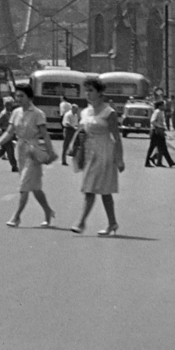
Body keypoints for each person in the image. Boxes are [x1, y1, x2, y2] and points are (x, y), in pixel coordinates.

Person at [71, 77, 124, 235]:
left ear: (100, 93)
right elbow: (81, 131)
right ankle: (112, 223)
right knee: (103, 191)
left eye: (91, 90)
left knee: (91, 189)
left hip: (104, 152)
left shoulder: (109, 113)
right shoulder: (85, 112)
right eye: (86, 90)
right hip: (89, 153)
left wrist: (119, 159)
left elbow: (116, 137)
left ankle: (81, 222)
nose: (87, 93)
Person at [4, 82, 56, 227]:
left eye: (21, 95)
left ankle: (16, 216)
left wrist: (50, 152)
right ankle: (48, 211)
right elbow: (9, 132)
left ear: (29, 97)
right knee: (35, 188)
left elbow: (45, 134)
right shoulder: (16, 113)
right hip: (20, 149)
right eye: (17, 95)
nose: (18, 98)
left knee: (24, 185)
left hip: (33, 150)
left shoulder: (38, 113)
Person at [145, 100, 175, 167]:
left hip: (159, 131)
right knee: (153, 147)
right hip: (156, 132)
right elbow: (152, 121)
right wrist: (159, 126)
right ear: (160, 106)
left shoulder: (160, 112)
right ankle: (147, 162)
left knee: (163, 147)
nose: (164, 106)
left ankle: (169, 162)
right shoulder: (157, 112)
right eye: (163, 105)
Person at [60, 96, 79, 165]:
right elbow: (67, 123)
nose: (77, 110)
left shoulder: (75, 115)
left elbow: (76, 123)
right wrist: (73, 127)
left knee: (76, 144)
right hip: (68, 130)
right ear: (72, 108)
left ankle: (74, 158)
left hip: (74, 130)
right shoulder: (68, 114)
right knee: (66, 145)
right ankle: (63, 160)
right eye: (76, 109)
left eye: (77, 109)